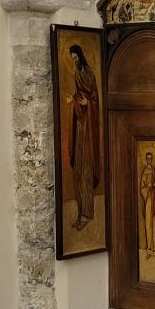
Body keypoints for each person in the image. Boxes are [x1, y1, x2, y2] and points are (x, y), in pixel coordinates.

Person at [67, 45, 100, 231]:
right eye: (72, 59)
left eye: (76, 58)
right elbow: (79, 93)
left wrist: (89, 102)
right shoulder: (77, 71)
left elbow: (94, 96)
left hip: (88, 123)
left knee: (86, 169)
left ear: (80, 56)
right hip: (80, 121)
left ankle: (87, 214)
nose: (75, 61)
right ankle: (81, 213)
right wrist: (73, 99)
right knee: (78, 169)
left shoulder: (88, 72)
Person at [139, 152, 155, 254]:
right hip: (149, 198)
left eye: (150, 158)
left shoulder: (154, 170)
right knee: (149, 222)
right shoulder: (144, 172)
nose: (149, 160)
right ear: (146, 160)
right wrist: (148, 188)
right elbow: (142, 188)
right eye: (148, 158)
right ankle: (149, 247)